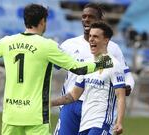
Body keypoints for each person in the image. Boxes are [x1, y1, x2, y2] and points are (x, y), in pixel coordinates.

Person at [0, 4, 114, 135]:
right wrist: (102, 63)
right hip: (36, 115)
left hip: (11, 114)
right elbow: (79, 68)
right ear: (42, 22)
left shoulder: (7, 42)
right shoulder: (48, 46)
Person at [54, 3, 134, 135]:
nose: (86, 19)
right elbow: (51, 67)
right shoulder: (69, 45)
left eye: (91, 16)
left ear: (99, 20)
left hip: (96, 106)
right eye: (84, 16)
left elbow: (126, 75)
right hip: (71, 103)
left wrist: (128, 86)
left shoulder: (113, 49)